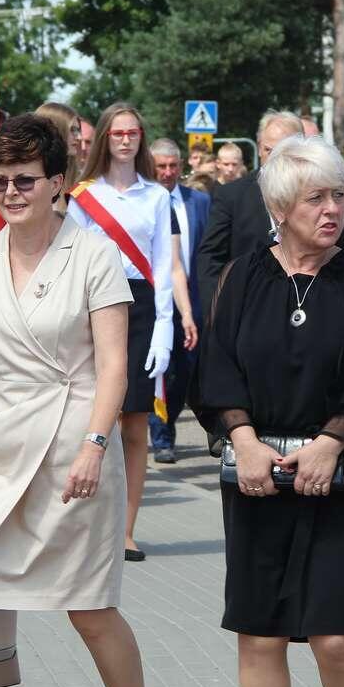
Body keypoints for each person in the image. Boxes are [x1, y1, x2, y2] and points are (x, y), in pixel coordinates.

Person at [0, 114, 153, 687]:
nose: (11, 193)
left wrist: (94, 445)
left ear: (57, 182)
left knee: (89, 612)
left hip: (71, 457)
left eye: (24, 180)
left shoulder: (95, 255)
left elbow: (114, 367)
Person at [190, 135, 344, 687]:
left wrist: (333, 441)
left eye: (338, 195)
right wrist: (242, 440)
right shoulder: (241, 277)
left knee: (337, 637)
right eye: (315, 198)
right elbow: (216, 369)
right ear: (280, 207)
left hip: (343, 476)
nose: (332, 209)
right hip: (256, 475)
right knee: (260, 634)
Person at [67, 104, 173, 561]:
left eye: (133, 133)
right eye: (118, 133)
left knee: (134, 422)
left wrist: (165, 327)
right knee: (97, 418)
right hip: (96, 303)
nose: (126, 140)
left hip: (143, 305)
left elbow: (164, 266)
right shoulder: (84, 196)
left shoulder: (157, 197)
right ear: (106, 139)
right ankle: (90, 526)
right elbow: (73, 259)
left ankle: (126, 530)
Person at [197, 110, 344, 320]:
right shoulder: (232, 196)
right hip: (246, 314)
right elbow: (211, 258)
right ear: (259, 147)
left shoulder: (330, 196)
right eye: (268, 150)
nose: (275, 158)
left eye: (284, 151)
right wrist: (219, 311)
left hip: (319, 308)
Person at [148, 138, 209, 464]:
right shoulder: (145, 201)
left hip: (192, 301)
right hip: (154, 301)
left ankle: (168, 420)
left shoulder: (199, 202)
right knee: (161, 370)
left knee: (185, 371)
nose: (168, 172)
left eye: (173, 166)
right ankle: (161, 437)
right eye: (161, 166)